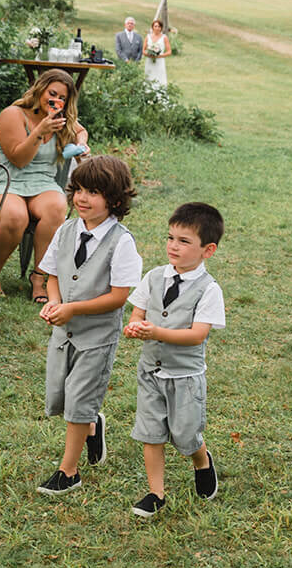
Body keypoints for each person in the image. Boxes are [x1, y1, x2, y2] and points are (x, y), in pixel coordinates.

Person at [35, 155, 142, 495]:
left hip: (96, 337)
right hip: (63, 333)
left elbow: (119, 296)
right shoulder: (66, 230)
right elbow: (51, 275)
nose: (81, 198)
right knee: (63, 393)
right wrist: (54, 301)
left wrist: (73, 308)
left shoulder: (122, 242)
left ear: (115, 200)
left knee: (79, 398)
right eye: (78, 189)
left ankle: (69, 472)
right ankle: (92, 425)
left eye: (93, 191)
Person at [124, 202, 226, 518]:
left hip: (185, 376)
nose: (173, 246)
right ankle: (156, 492)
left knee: (185, 434)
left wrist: (156, 331)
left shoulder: (209, 290)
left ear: (207, 250)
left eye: (184, 241)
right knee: (151, 431)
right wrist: (135, 325)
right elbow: (138, 310)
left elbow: (197, 335)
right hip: (151, 372)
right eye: (170, 238)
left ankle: (201, 459)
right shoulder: (154, 276)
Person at [0, 69, 88, 301]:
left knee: (56, 208)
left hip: (41, 183)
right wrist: (40, 131)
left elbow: (80, 130)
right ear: (40, 89)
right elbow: (19, 160)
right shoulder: (13, 114)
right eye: (52, 94)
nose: (56, 101)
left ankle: (39, 277)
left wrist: (81, 143)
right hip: (7, 181)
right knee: (15, 216)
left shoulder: (60, 118)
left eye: (62, 98)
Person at [142, 19, 170, 87]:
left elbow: (169, 51)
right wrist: (148, 54)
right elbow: (143, 50)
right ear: (152, 27)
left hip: (159, 61)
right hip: (149, 61)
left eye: (159, 26)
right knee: (149, 76)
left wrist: (159, 56)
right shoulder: (148, 37)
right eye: (155, 26)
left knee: (160, 77)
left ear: (161, 28)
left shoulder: (164, 37)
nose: (157, 28)